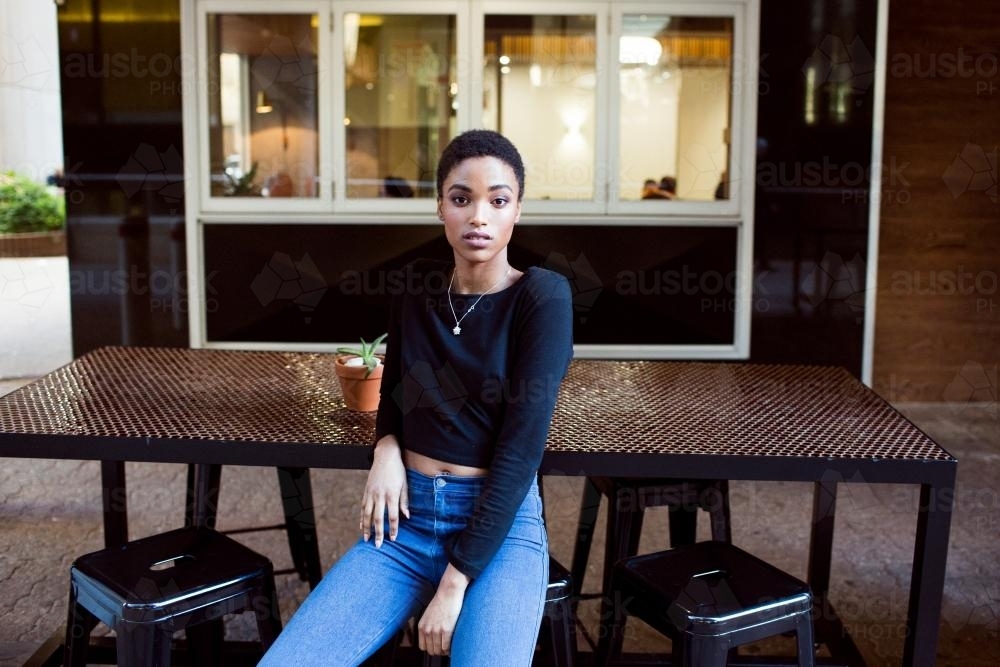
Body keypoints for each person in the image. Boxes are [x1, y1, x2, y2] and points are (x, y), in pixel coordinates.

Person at [258, 130, 574, 666]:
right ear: (440, 209)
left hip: (497, 531)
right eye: (461, 199)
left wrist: (454, 584)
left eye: (497, 200)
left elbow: (522, 451)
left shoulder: (542, 297)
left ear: (516, 210)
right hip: (404, 523)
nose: (479, 216)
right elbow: (395, 393)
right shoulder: (415, 288)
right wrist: (385, 447)